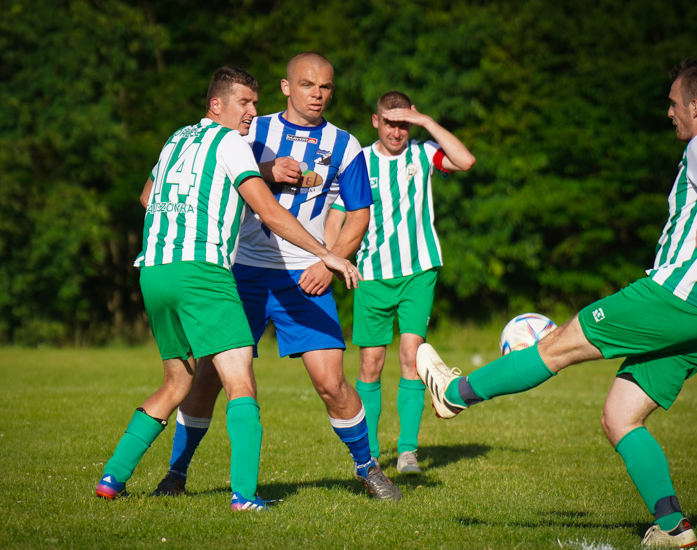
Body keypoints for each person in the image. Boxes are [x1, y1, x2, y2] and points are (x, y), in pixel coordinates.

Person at [416, 58, 697, 547]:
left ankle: (454, 394)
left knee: (558, 344)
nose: (669, 112)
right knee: (620, 418)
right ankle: (673, 526)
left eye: (673, 103)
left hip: (673, 298)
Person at [96, 66, 361, 511]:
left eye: (256, 104)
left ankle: (112, 478)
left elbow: (146, 197)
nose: (253, 113)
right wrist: (328, 253)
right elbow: (271, 214)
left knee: (176, 382)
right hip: (204, 273)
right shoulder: (230, 143)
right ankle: (244, 496)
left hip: (154, 271)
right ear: (216, 104)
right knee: (241, 383)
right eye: (245, 103)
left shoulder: (177, 140)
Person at [151, 53, 402, 501]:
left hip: (304, 276)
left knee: (331, 383)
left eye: (325, 87)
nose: (317, 95)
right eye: (307, 85)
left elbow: (360, 216)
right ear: (287, 87)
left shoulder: (345, 145)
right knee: (209, 377)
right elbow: (214, 175)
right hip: (241, 273)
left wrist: (329, 262)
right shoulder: (250, 128)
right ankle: (177, 474)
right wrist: (268, 171)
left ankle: (368, 468)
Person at [326, 92, 475, 474]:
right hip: (372, 276)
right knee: (370, 365)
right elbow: (338, 214)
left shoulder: (424, 153)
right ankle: (371, 454)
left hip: (418, 272)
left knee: (412, 356)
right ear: (376, 121)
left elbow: (466, 160)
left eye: (404, 123)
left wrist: (425, 121)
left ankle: (408, 452)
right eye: (390, 122)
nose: (397, 131)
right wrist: (331, 256)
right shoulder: (358, 160)